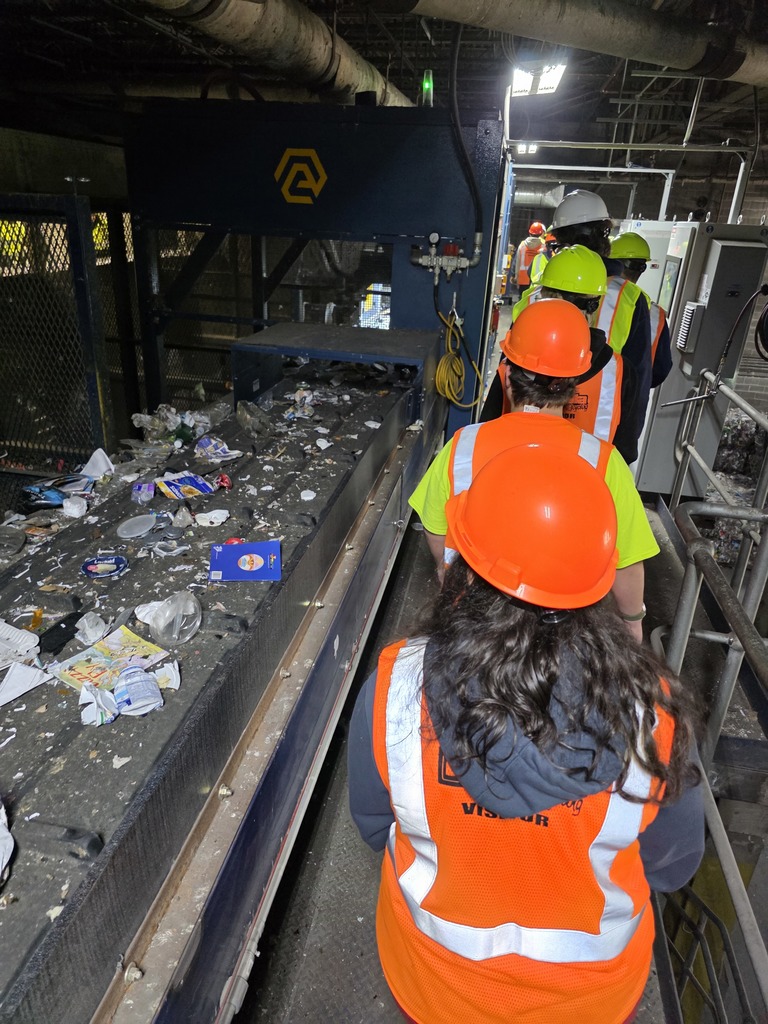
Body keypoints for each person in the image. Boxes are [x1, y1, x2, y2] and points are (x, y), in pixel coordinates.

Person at [350, 443, 704, 1024]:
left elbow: (373, 826)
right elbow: (671, 868)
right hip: (588, 1002)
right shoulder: (653, 718)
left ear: (460, 563)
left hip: (435, 986)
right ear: (600, 581)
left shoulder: (395, 684)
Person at [411, 299, 658, 641]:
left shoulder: (462, 446)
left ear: (508, 376)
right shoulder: (603, 461)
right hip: (561, 634)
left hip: (469, 628)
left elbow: (435, 528)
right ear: (573, 385)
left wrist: (446, 572)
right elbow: (627, 563)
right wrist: (632, 622)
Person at [482, 245, 643, 465]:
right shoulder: (622, 372)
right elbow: (626, 453)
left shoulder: (514, 362)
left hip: (514, 487)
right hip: (587, 493)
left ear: (549, 297)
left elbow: (486, 434)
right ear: (594, 305)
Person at [545, 190, 653, 419]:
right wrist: (626, 445)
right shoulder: (631, 299)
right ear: (604, 238)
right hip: (597, 434)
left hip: (533, 429)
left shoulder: (535, 294)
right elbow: (637, 380)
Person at [611, 231, 673, 389]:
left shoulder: (594, 296)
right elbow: (661, 368)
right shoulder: (654, 313)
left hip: (594, 392)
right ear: (642, 268)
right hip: (631, 397)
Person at [512, 220, 546, 293]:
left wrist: (513, 275)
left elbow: (516, 261)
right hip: (537, 281)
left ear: (530, 233)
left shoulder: (522, 245)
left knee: (523, 302)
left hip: (522, 279)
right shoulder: (543, 246)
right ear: (541, 233)